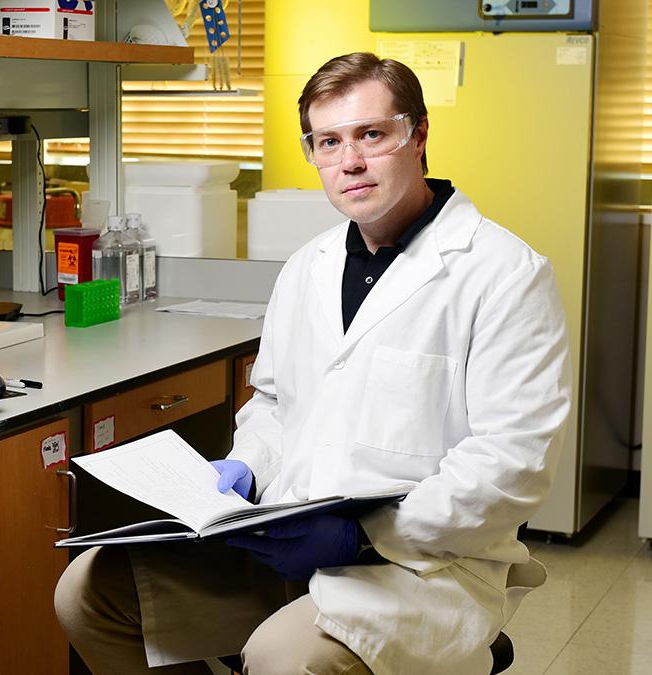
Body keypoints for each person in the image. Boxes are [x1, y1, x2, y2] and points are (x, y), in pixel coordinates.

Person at [55, 52, 571, 674]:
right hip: (283, 541)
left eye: (371, 135)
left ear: (418, 135)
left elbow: (513, 461)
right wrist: (247, 466)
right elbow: (274, 403)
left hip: (423, 562)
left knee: (285, 659)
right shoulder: (309, 266)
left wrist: (364, 535)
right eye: (329, 142)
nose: (349, 161)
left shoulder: (502, 273)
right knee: (89, 593)